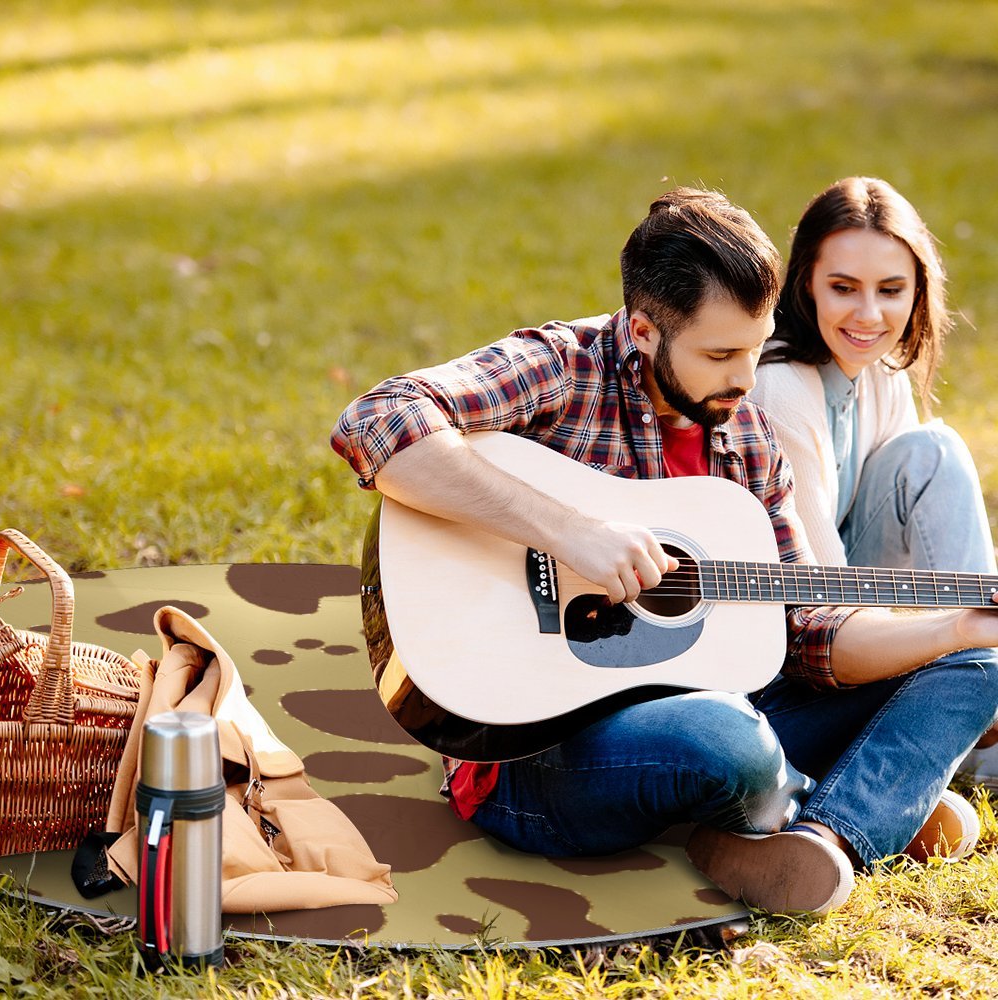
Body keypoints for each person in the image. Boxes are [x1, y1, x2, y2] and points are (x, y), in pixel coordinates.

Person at [331, 187, 998, 916]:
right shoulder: (562, 367)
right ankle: (855, 797)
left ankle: (826, 837)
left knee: (978, 664)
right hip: (535, 755)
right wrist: (567, 531)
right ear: (644, 330)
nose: (746, 380)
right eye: (720, 354)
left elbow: (808, 629)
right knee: (726, 741)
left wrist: (954, 628)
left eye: (755, 346)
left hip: (726, 709)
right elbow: (378, 419)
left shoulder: (746, 435)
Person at [751, 176, 998, 787]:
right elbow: (821, 602)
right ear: (805, 281)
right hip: (791, 646)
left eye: (891, 290)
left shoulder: (879, 369)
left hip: (855, 611)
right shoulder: (781, 386)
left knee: (929, 451)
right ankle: (975, 727)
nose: (869, 315)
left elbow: (918, 548)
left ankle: (977, 694)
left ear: (918, 291)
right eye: (843, 288)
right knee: (935, 450)